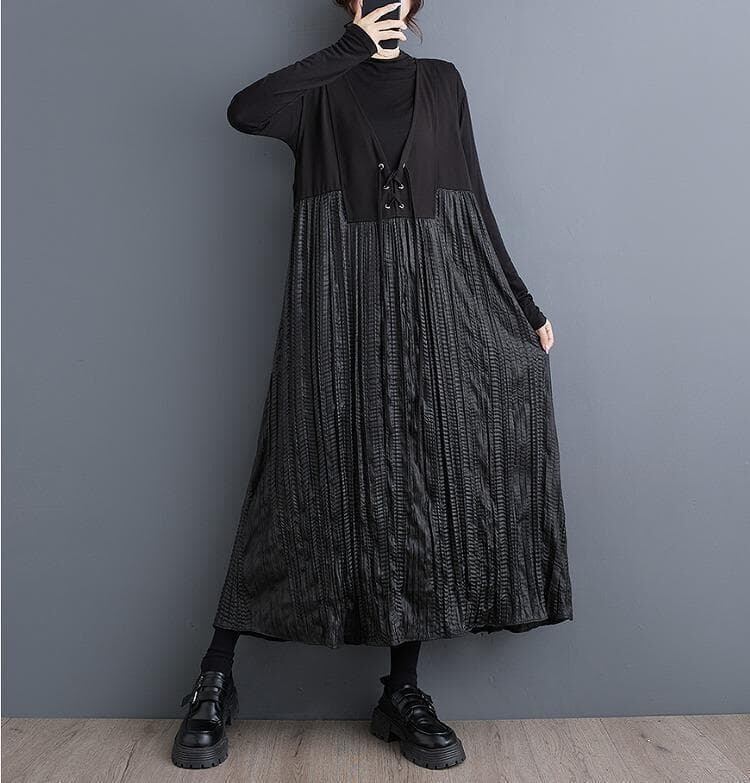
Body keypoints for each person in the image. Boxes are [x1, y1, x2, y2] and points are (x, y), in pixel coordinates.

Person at [172, 0, 573, 771]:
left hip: (432, 311)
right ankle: (215, 678)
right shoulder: (317, 89)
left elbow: (474, 199)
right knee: (298, 481)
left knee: (419, 487)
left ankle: (402, 689)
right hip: (335, 313)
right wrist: (347, 49)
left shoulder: (443, 83)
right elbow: (244, 112)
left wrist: (522, 304)